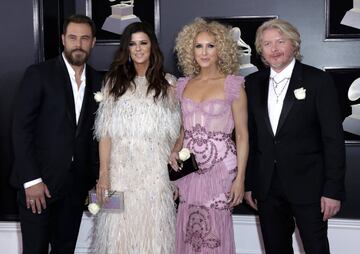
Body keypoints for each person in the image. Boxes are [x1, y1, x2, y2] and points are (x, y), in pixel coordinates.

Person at [244, 19, 346, 254]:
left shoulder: (317, 81)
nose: (274, 48)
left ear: (294, 44)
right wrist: (251, 184)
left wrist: (332, 191)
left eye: (281, 41)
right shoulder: (252, 84)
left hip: (310, 187)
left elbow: (333, 139)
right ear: (260, 50)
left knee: (316, 249)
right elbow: (251, 138)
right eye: (267, 43)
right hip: (267, 188)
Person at [11, 14, 101, 253]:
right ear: (63, 39)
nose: (78, 44)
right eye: (72, 37)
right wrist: (31, 181)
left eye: (84, 38)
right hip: (39, 186)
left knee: (65, 249)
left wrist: (95, 178)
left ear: (93, 42)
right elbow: (21, 130)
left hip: (75, 187)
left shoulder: (100, 81)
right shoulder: (39, 74)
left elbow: (97, 136)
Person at [92, 22, 180, 253]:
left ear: (152, 47)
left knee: (154, 236)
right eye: (132, 44)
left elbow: (180, 131)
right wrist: (103, 176)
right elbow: (105, 134)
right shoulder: (113, 84)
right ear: (126, 49)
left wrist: (174, 169)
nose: (138, 48)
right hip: (119, 174)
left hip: (155, 175)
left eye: (143, 43)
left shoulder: (169, 84)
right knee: (114, 236)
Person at [170, 18, 249, 254]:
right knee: (189, 227)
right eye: (198, 46)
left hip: (221, 169)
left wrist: (240, 179)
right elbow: (182, 131)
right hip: (189, 168)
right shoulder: (183, 86)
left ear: (221, 49)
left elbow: (243, 135)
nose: (204, 52)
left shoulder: (232, 85)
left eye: (210, 46)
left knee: (214, 227)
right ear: (190, 50)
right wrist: (174, 153)